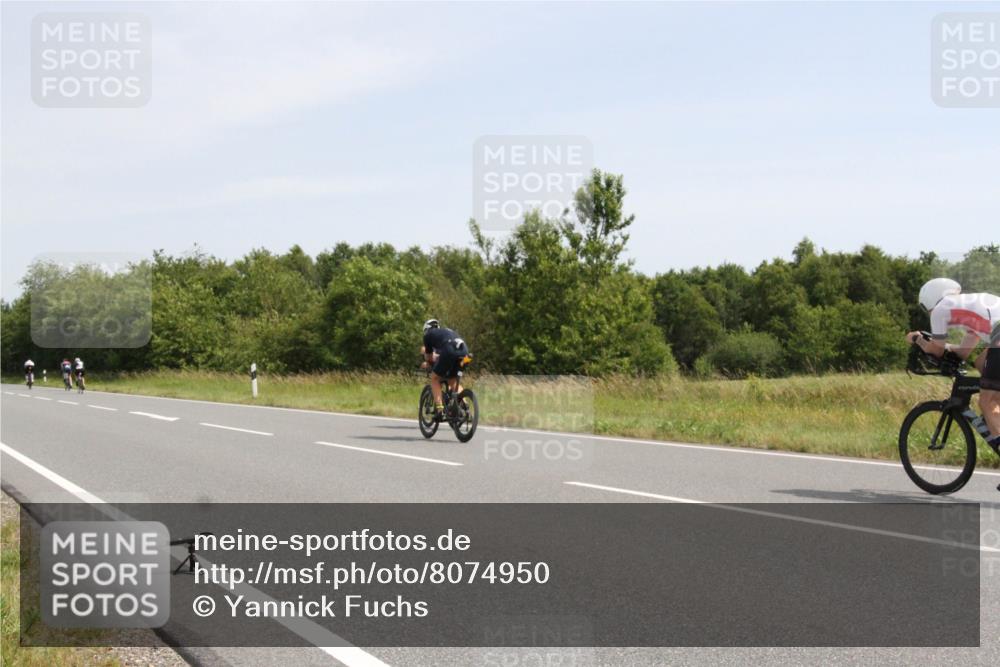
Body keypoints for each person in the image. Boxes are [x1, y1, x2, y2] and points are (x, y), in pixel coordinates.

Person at [907, 278, 1000, 448]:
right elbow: (963, 352)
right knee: (981, 363)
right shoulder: (969, 306)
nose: (929, 313)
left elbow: (936, 351)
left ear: (930, 300)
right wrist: (945, 346)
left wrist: (917, 339)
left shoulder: (940, 309)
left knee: (986, 401)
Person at [420, 319, 470, 418]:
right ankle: (465, 405)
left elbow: (429, 357)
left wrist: (429, 363)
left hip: (450, 350)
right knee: (453, 381)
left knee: (434, 378)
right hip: (466, 354)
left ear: (426, 329)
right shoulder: (446, 332)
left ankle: (440, 410)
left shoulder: (428, 336)